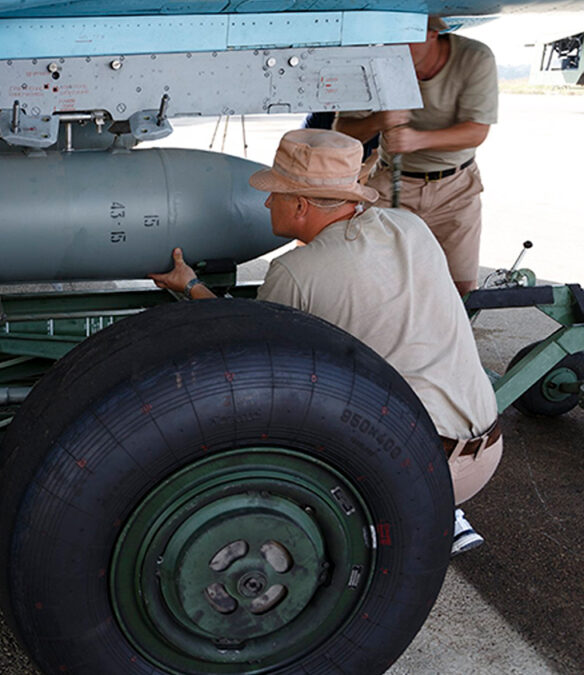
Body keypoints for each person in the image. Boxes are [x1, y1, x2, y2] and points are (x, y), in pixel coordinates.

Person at [150, 129, 500, 556]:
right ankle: (444, 509)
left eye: (275, 193)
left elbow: (247, 349)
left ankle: (405, 516)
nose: (265, 202)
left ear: (299, 205)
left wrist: (192, 288)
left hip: (420, 469)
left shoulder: (298, 271)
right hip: (487, 449)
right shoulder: (410, 226)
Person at [334, 15, 498, 296]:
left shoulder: (475, 59)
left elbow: (476, 133)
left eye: (406, 37)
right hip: (392, 181)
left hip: (455, 188)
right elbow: (343, 133)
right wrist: (378, 121)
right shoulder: (376, 61)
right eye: (391, 37)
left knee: (461, 287)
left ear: (432, 33)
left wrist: (417, 140)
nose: (394, 48)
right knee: (371, 277)